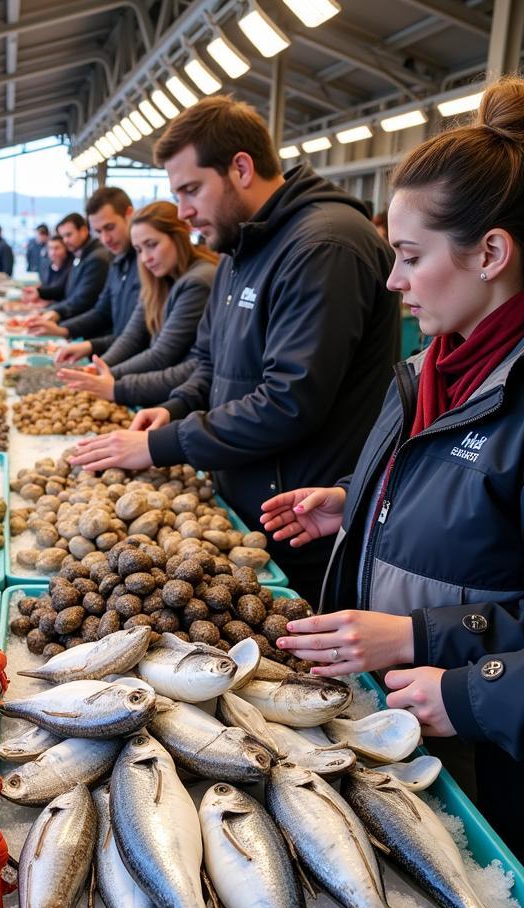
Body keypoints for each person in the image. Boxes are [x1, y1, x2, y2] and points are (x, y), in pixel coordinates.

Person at [257, 77, 524, 854]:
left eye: (408, 256)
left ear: (491, 253)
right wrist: (364, 500)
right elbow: (471, 510)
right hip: (418, 732)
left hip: (495, 764)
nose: (393, 281)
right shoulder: (436, 368)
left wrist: (456, 677)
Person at [69, 94, 399, 600]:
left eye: (191, 189)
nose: (184, 211)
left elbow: (289, 401)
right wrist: (172, 408)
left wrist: (163, 445)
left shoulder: (324, 246)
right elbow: (208, 364)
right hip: (242, 514)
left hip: (302, 530)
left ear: (241, 167)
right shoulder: (239, 250)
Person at [56, 201, 217, 407]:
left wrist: (107, 376)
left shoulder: (198, 280)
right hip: (158, 392)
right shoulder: (159, 280)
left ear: (179, 235)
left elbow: (162, 355)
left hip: (178, 398)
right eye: (139, 250)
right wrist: (99, 368)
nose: (146, 258)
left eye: (152, 245)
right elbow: (131, 337)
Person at [27, 187, 139, 342]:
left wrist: (61, 323)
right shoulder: (114, 259)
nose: (105, 239)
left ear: (129, 215)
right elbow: (102, 309)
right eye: (99, 231)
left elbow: (85, 302)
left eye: (110, 227)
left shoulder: (101, 258)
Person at [22, 213, 110, 321]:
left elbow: (82, 301)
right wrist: (40, 292)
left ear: (83, 231)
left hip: (84, 325)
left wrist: (54, 312)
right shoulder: (80, 255)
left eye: (68, 235)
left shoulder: (96, 258)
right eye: (63, 236)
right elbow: (65, 288)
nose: (65, 241)